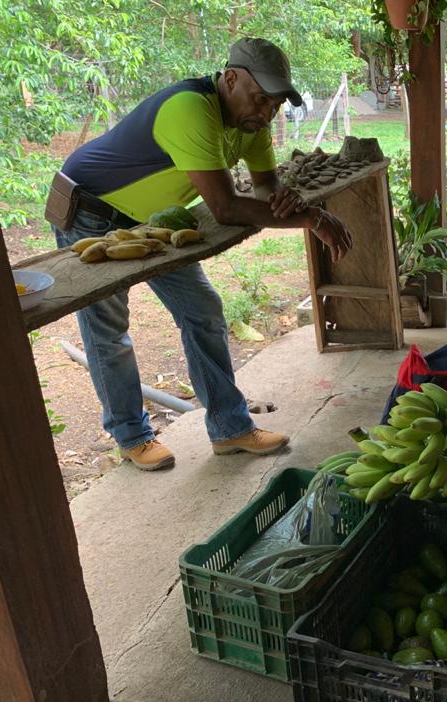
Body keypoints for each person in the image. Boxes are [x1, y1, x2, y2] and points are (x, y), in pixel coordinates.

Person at [50, 37, 353, 471]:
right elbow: (226, 208)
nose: (266, 113)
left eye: (275, 105)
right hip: (89, 208)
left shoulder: (251, 126)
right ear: (230, 79)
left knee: (203, 310)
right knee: (109, 332)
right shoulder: (190, 108)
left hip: (152, 219)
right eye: (260, 100)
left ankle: (230, 429)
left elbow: (266, 187)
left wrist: (289, 201)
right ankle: (132, 436)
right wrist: (314, 219)